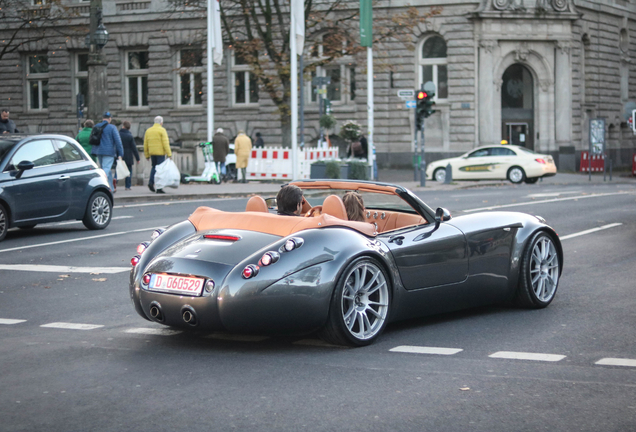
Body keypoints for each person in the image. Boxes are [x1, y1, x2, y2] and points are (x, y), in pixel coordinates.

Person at [92, 112, 124, 193]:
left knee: (107, 170)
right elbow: (118, 141)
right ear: (110, 119)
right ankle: (99, 185)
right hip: (109, 152)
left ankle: (111, 189)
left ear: (103, 118)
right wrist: (121, 153)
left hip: (98, 151)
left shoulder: (96, 126)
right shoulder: (112, 127)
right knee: (106, 169)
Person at [143, 115, 172, 194]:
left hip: (152, 153)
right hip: (160, 153)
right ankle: (159, 187)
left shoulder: (148, 131)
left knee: (154, 168)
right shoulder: (162, 130)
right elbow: (165, 143)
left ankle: (151, 182)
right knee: (160, 171)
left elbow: (145, 144)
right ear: (161, 123)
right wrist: (169, 154)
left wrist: (147, 155)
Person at [120, 120, 140, 190]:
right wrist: (137, 158)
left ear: (123, 126)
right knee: (129, 171)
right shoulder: (130, 136)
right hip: (128, 155)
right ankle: (127, 186)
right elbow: (134, 148)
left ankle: (114, 183)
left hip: (120, 154)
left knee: (118, 170)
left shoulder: (119, 134)